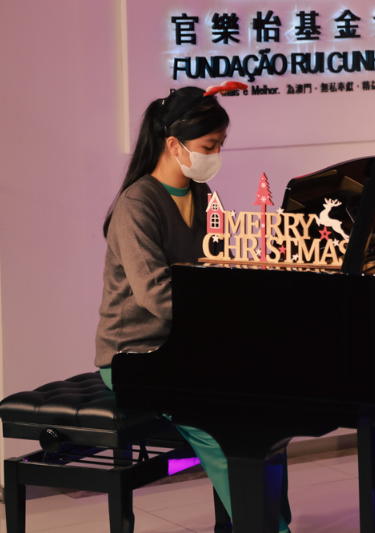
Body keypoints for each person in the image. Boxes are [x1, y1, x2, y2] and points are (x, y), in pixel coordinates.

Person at [94, 85, 292, 533]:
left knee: (270, 416)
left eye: (220, 144)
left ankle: (269, 523)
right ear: (173, 145)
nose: (216, 154)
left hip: (186, 347)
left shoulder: (201, 195)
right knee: (219, 427)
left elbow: (213, 270)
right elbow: (156, 294)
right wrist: (217, 324)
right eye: (208, 146)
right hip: (135, 353)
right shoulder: (137, 205)